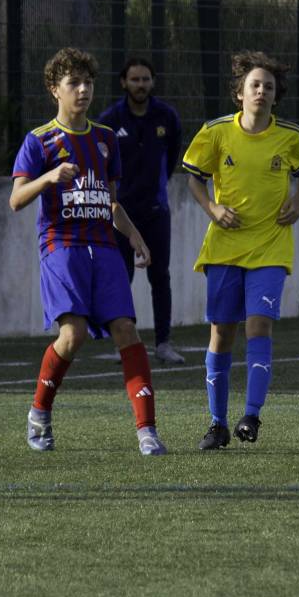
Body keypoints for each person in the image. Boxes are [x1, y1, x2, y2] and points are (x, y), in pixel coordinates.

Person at [10, 46, 167, 457]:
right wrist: (48, 177)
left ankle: (147, 430)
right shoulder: (39, 141)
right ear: (54, 89)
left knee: (126, 329)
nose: (83, 90)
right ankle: (40, 412)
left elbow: (111, 202)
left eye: (88, 83)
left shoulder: (104, 138)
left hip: (104, 246)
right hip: (61, 246)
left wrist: (134, 236)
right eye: (73, 83)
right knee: (73, 334)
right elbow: (16, 199)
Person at [182, 51, 299, 450]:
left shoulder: (292, 135)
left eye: (268, 86)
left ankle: (251, 415)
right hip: (224, 248)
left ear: (276, 95)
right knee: (222, 332)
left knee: (259, 325)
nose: (261, 91)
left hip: (271, 246)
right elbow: (194, 179)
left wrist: (298, 200)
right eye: (254, 85)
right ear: (240, 93)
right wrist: (212, 208)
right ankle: (217, 424)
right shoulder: (215, 132)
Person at [94, 57, 185, 366]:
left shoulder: (166, 116)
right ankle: (125, 343)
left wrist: (156, 187)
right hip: (120, 212)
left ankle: (164, 343)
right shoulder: (110, 119)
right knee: (122, 278)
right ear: (124, 82)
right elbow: (101, 163)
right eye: (135, 79)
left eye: (146, 79)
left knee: (160, 276)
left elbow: (172, 155)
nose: (141, 85)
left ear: (153, 82)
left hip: (156, 210)